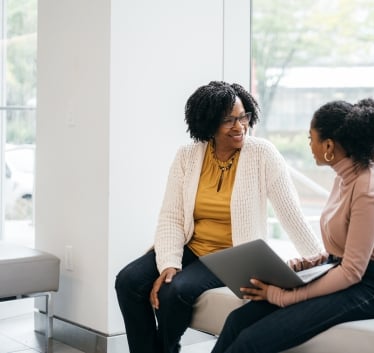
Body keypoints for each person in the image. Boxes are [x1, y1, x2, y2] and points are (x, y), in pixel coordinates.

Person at [114, 81, 323, 353]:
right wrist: (169, 263)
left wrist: (321, 260)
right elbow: (172, 216)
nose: (240, 127)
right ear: (208, 123)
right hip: (192, 245)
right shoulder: (187, 156)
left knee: (173, 292)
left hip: (231, 254)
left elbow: (290, 212)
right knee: (128, 281)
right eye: (229, 120)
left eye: (243, 117)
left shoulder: (262, 154)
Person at [212, 98, 374, 353]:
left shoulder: (369, 190)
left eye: (310, 138)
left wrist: (284, 296)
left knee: (253, 342)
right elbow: (344, 250)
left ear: (328, 145)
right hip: (346, 269)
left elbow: (352, 272)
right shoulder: (345, 176)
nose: (309, 145)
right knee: (238, 321)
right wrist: (301, 267)